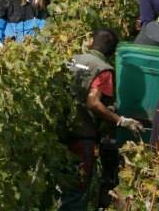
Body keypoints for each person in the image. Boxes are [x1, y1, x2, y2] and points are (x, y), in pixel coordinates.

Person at [59, 28, 143, 211]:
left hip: (58, 133)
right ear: (112, 52)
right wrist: (120, 120)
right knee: (76, 193)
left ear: (91, 41)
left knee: (57, 187)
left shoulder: (71, 60)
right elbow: (93, 102)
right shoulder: (103, 70)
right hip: (81, 137)